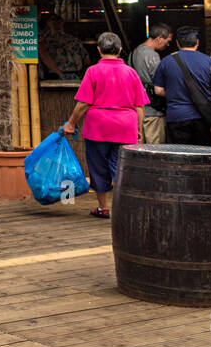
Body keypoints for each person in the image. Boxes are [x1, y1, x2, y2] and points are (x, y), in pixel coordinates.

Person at [61, 32, 149, 218]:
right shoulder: (131, 72)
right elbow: (139, 107)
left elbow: (83, 103)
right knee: (121, 167)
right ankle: (122, 208)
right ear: (120, 50)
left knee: (98, 167)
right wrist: (138, 130)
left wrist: (71, 123)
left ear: (99, 50)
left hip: (98, 129)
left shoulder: (93, 71)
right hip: (126, 128)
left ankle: (103, 207)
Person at [153, 26, 211, 147]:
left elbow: (158, 90)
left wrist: (174, 93)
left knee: (177, 156)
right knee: (201, 155)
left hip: (176, 116)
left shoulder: (165, 62)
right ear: (197, 42)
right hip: (202, 116)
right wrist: (203, 94)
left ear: (177, 43)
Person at [129, 23, 173, 144]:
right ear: (159, 38)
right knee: (155, 152)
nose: (168, 44)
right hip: (153, 112)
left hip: (137, 111)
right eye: (167, 40)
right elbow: (160, 84)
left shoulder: (133, 53)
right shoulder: (153, 55)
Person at [38, 14, 88, 80]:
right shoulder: (74, 40)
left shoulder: (44, 42)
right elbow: (86, 60)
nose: (55, 23)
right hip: (71, 75)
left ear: (48, 24)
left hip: (53, 76)